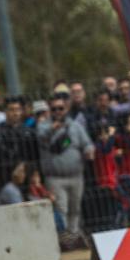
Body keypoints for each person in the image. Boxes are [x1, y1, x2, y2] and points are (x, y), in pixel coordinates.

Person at [37, 93, 94, 240]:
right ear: (50, 110)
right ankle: (64, 239)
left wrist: (89, 150)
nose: (57, 112)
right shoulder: (43, 125)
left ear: (66, 109)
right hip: (55, 178)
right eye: (54, 109)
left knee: (75, 209)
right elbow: (41, 138)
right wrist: (52, 129)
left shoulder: (75, 126)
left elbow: (87, 143)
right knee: (62, 208)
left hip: (76, 176)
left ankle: (74, 237)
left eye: (60, 108)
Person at [0, 96, 39, 200]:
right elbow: (1, 157)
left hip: (27, 182)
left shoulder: (29, 132)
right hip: (6, 183)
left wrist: (27, 168)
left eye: (18, 110)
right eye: (11, 110)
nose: (15, 113)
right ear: (5, 111)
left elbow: (34, 157)